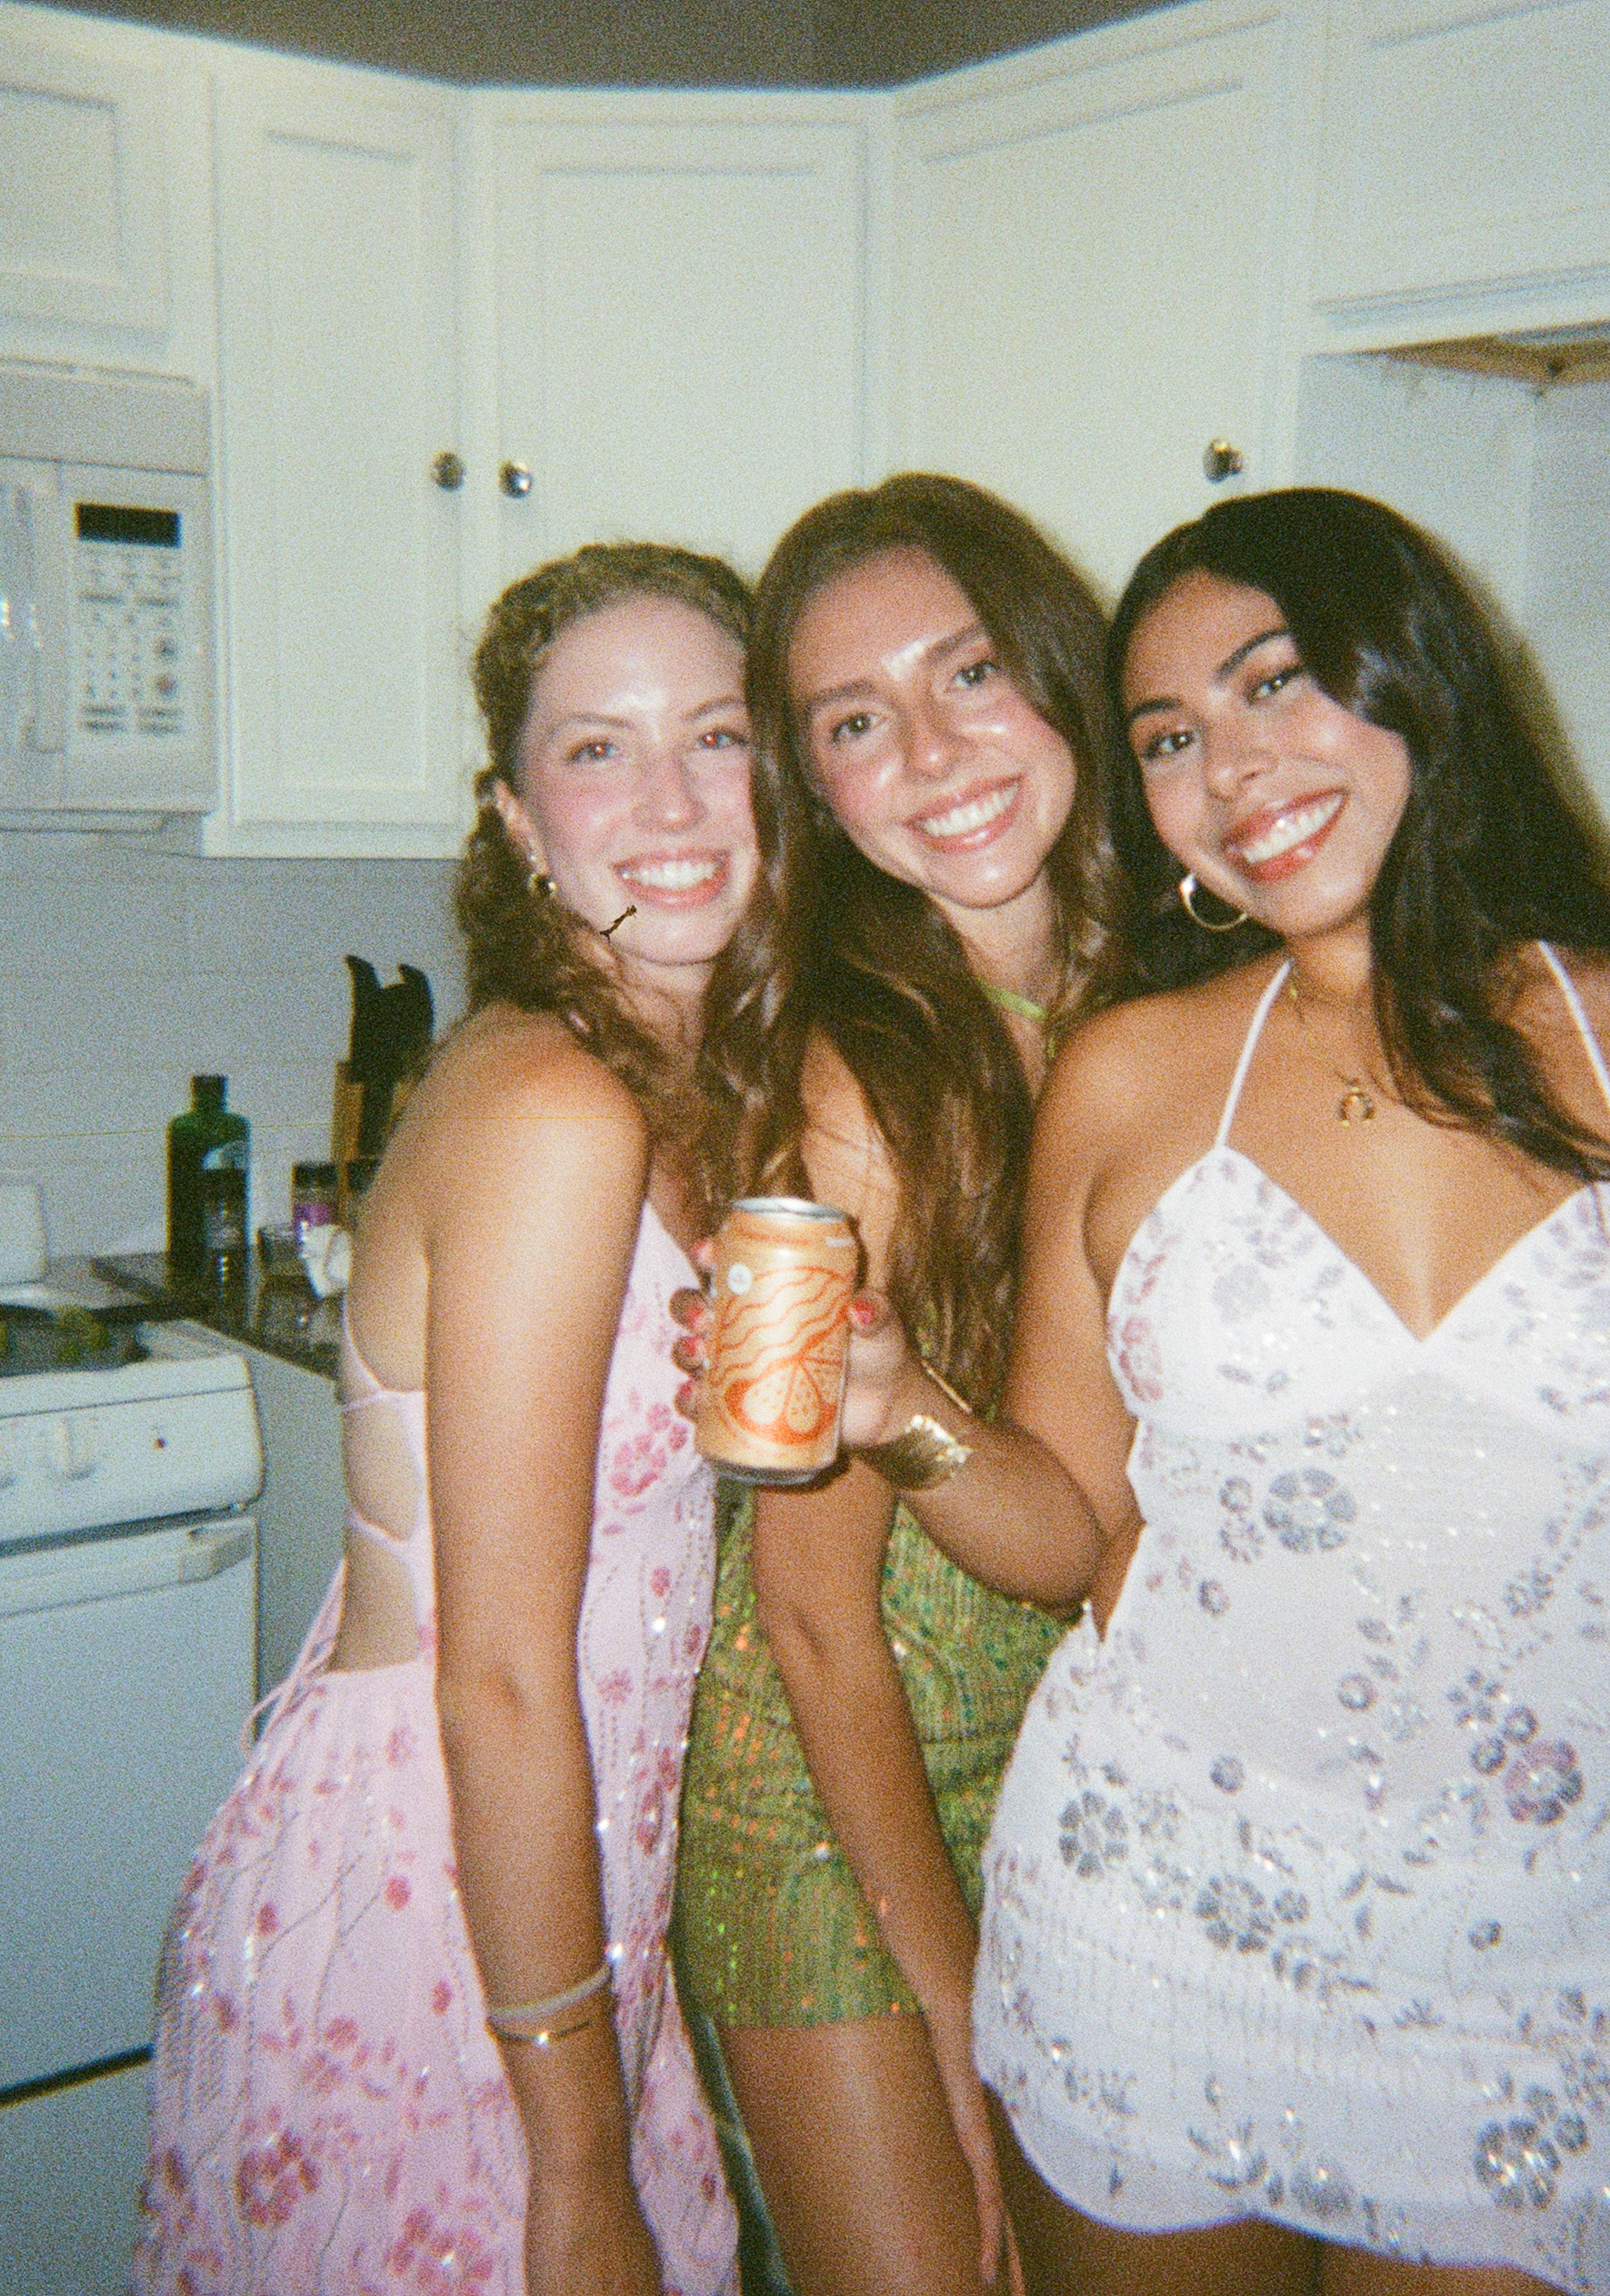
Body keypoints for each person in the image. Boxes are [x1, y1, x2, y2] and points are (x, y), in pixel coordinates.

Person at [828, 487, 1610, 2294]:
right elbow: (1067, 1538)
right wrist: (898, 1407)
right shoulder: (1132, 1074)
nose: (1230, 768)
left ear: (1422, 678)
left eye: (1276, 683)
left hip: (1533, 1982)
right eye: (1168, 737)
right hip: (1140, 1929)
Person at [134, 543, 760, 2296]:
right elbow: (496, 1677)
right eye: (597, 751)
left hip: (538, 1893)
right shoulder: (558, 1109)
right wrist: (578, 2171)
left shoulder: (648, 1074)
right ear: (515, 821)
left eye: (719, 736)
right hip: (441, 1918)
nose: (672, 803)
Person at [674, 474, 1131, 2295]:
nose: (933, 753)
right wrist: (955, 1997)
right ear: (817, 789)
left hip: (1085, 1776)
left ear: (1062, 672)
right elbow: (806, 1608)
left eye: (971, 672)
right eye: (856, 722)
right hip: (839, 1798)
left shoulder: (1181, 1008)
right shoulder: (851, 1085)